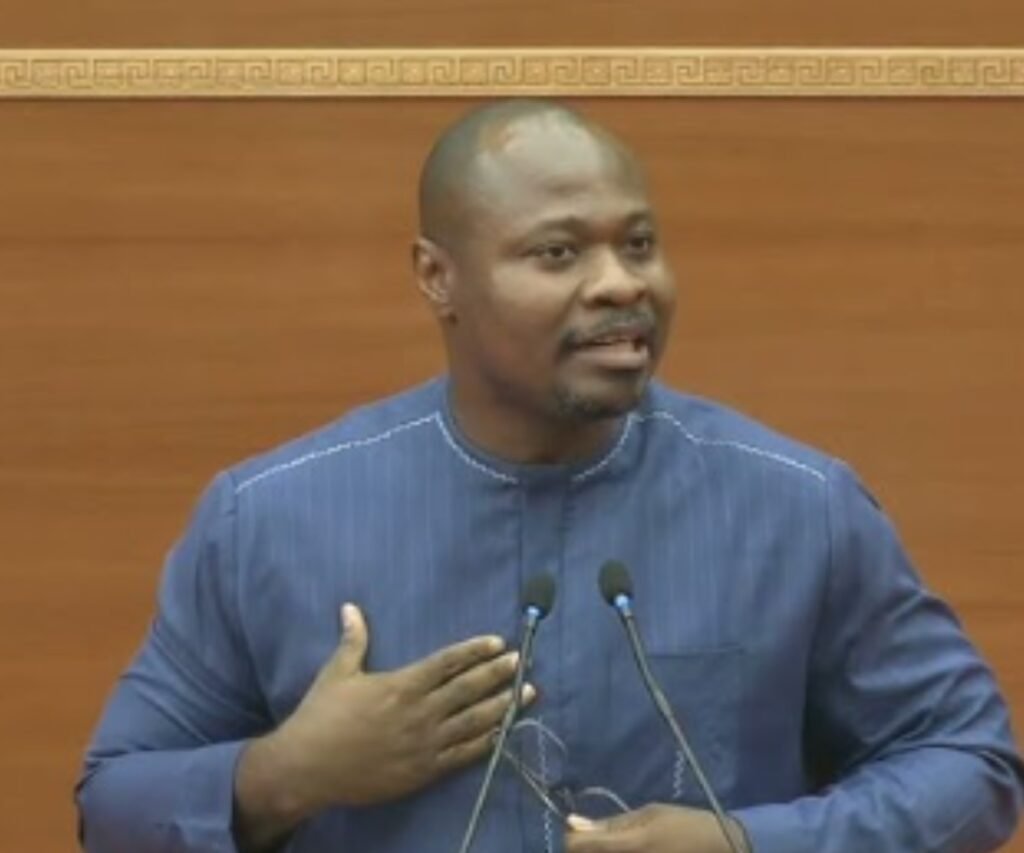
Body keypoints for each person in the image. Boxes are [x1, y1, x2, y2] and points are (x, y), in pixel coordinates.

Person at [76, 99, 1023, 853]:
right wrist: (287, 774)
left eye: (638, 244)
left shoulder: (799, 508)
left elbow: (970, 760)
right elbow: (114, 802)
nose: (620, 283)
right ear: (438, 277)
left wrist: (748, 841)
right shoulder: (270, 519)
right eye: (559, 252)